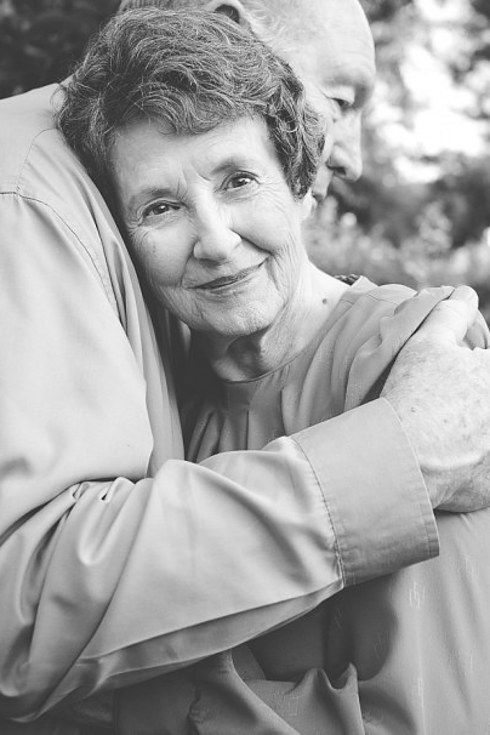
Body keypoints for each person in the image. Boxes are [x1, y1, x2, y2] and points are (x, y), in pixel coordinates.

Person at [1, 0, 490, 733]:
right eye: (161, 207)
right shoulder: (177, 391)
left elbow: (439, 709)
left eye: (238, 181)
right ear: (126, 239)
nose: (217, 242)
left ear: (297, 176)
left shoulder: (414, 360)